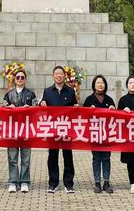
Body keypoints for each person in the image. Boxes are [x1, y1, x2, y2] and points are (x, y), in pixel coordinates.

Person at [40, 65, 78, 194]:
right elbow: (42, 105)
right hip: (53, 129)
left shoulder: (71, 91)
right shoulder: (47, 91)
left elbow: (75, 108)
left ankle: (69, 183)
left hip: (67, 128)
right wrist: (41, 104)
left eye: (61, 73)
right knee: (52, 156)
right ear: (53, 76)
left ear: (64, 76)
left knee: (68, 156)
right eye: (56, 74)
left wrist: (76, 107)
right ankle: (53, 183)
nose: (59, 76)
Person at [3, 69, 37, 193]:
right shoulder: (9, 94)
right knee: (12, 157)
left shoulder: (31, 94)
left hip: (26, 130)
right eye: (18, 77)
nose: (20, 79)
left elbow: (36, 108)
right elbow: (3, 109)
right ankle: (12, 181)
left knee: (25, 158)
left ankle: (24, 182)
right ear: (14, 79)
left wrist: (31, 108)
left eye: (22, 77)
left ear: (25, 79)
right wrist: (7, 107)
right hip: (12, 130)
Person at [83, 75, 116, 194]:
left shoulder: (109, 100)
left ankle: (106, 182)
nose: (100, 84)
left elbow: (116, 117)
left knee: (106, 158)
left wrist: (114, 109)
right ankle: (97, 182)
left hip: (107, 134)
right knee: (96, 158)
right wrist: (88, 110)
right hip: (94, 133)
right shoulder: (89, 100)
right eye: (98, 82)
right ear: (94, 85)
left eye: (102, 82)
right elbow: (82, 118)